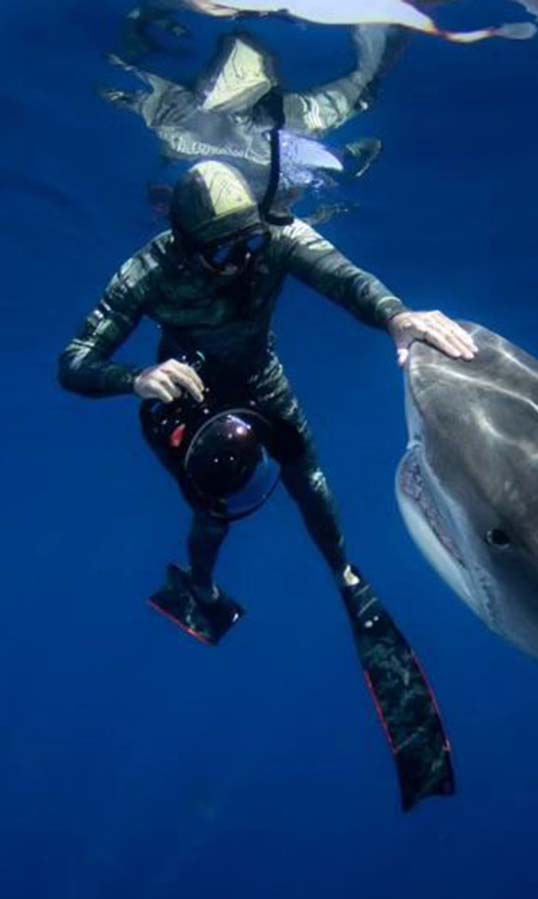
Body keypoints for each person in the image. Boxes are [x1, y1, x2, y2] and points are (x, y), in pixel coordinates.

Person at [58, 158, 475, 645]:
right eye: (222, 252)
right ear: (187, 248)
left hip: (260, 374)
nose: (241, 261)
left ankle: (345, 575)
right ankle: (201, 585)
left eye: (249, 243)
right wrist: (138, 378)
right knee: (213, 507)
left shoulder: (275, 236)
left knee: (308, 475)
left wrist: (395, 316)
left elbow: (343, 278)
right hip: (192, 393)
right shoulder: (148, 271)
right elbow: (74, 362)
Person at [102, 27, 400, 221]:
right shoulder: (183, 133)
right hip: (297, 118)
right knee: (363, 79)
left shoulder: (178, 130)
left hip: (266, 122)